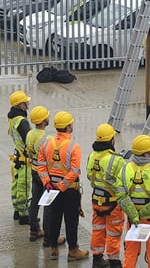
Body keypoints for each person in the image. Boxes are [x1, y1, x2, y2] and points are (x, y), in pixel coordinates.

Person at [38, 110, 89, 261]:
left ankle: (54, 249)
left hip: (51, 189)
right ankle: (73, 250)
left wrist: (47, 182)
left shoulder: (47, 144)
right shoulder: (74, 146)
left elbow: (41, 165)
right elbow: (74, 171)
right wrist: (62, 186)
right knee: (71, 221)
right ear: (68, 127)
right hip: (69, 190)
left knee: (54, 218)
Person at [115, 134, 150, 268]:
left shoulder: (124, 170)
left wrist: (134, 215)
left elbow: (121, 196)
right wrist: (144, 213)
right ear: (147, 153)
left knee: (130, 255)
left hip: (134, 222)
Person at [86, 123, 126, 268]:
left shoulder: (92, 156)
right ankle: (114, 261)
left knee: (98, 229)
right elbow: (124, 183)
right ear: (111, 140)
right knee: (113, 232)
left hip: (97, 200)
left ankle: (97, 258)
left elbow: (90, 176)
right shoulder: (117, 160)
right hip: (113, 203)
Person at [25, 106, 66, 247]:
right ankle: (49, 237)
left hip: (34, 171)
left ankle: (34, 230)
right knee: (48, 205)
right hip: (45, 175)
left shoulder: (29, 134)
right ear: (44, 120)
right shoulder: (48, 138)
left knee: (35, 200)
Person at [7, 90, 32, 225]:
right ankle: (24, 215)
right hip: (24, 159)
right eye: (25, 101)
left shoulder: (12, 118)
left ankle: (17, 210)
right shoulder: (21, 121)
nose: (28, 103)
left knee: (16, 185)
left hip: (17, 157)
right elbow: (28, 140)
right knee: (24, 187)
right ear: (20, 104)